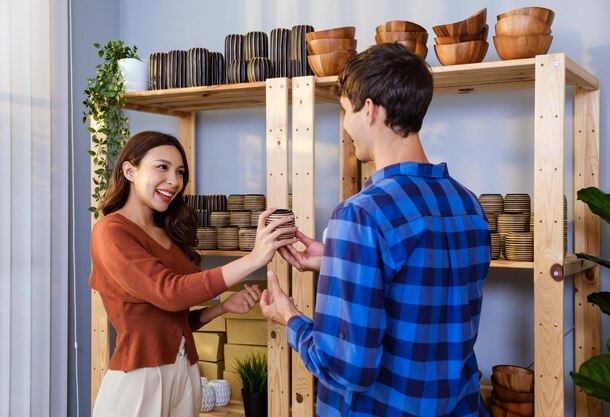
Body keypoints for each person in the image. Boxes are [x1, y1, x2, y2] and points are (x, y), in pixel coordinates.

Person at [260, 43, 491, 417]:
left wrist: (289, 317)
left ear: (369, 110)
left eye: (344, 111)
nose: (346, 126)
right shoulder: (468, 205)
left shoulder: (360, 215)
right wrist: (338, 260)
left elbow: (346, 368)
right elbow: (423, 289)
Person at [89, 131, 296, 417]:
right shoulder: (111, 232)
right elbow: (170, 293)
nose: (174, 181)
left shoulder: (167, 233)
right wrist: (254, 259)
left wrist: (221, 308)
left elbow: (170, 321)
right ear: (130, 170)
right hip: (140, 378)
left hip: (184, 372)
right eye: (162, 167)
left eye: (180, 172)